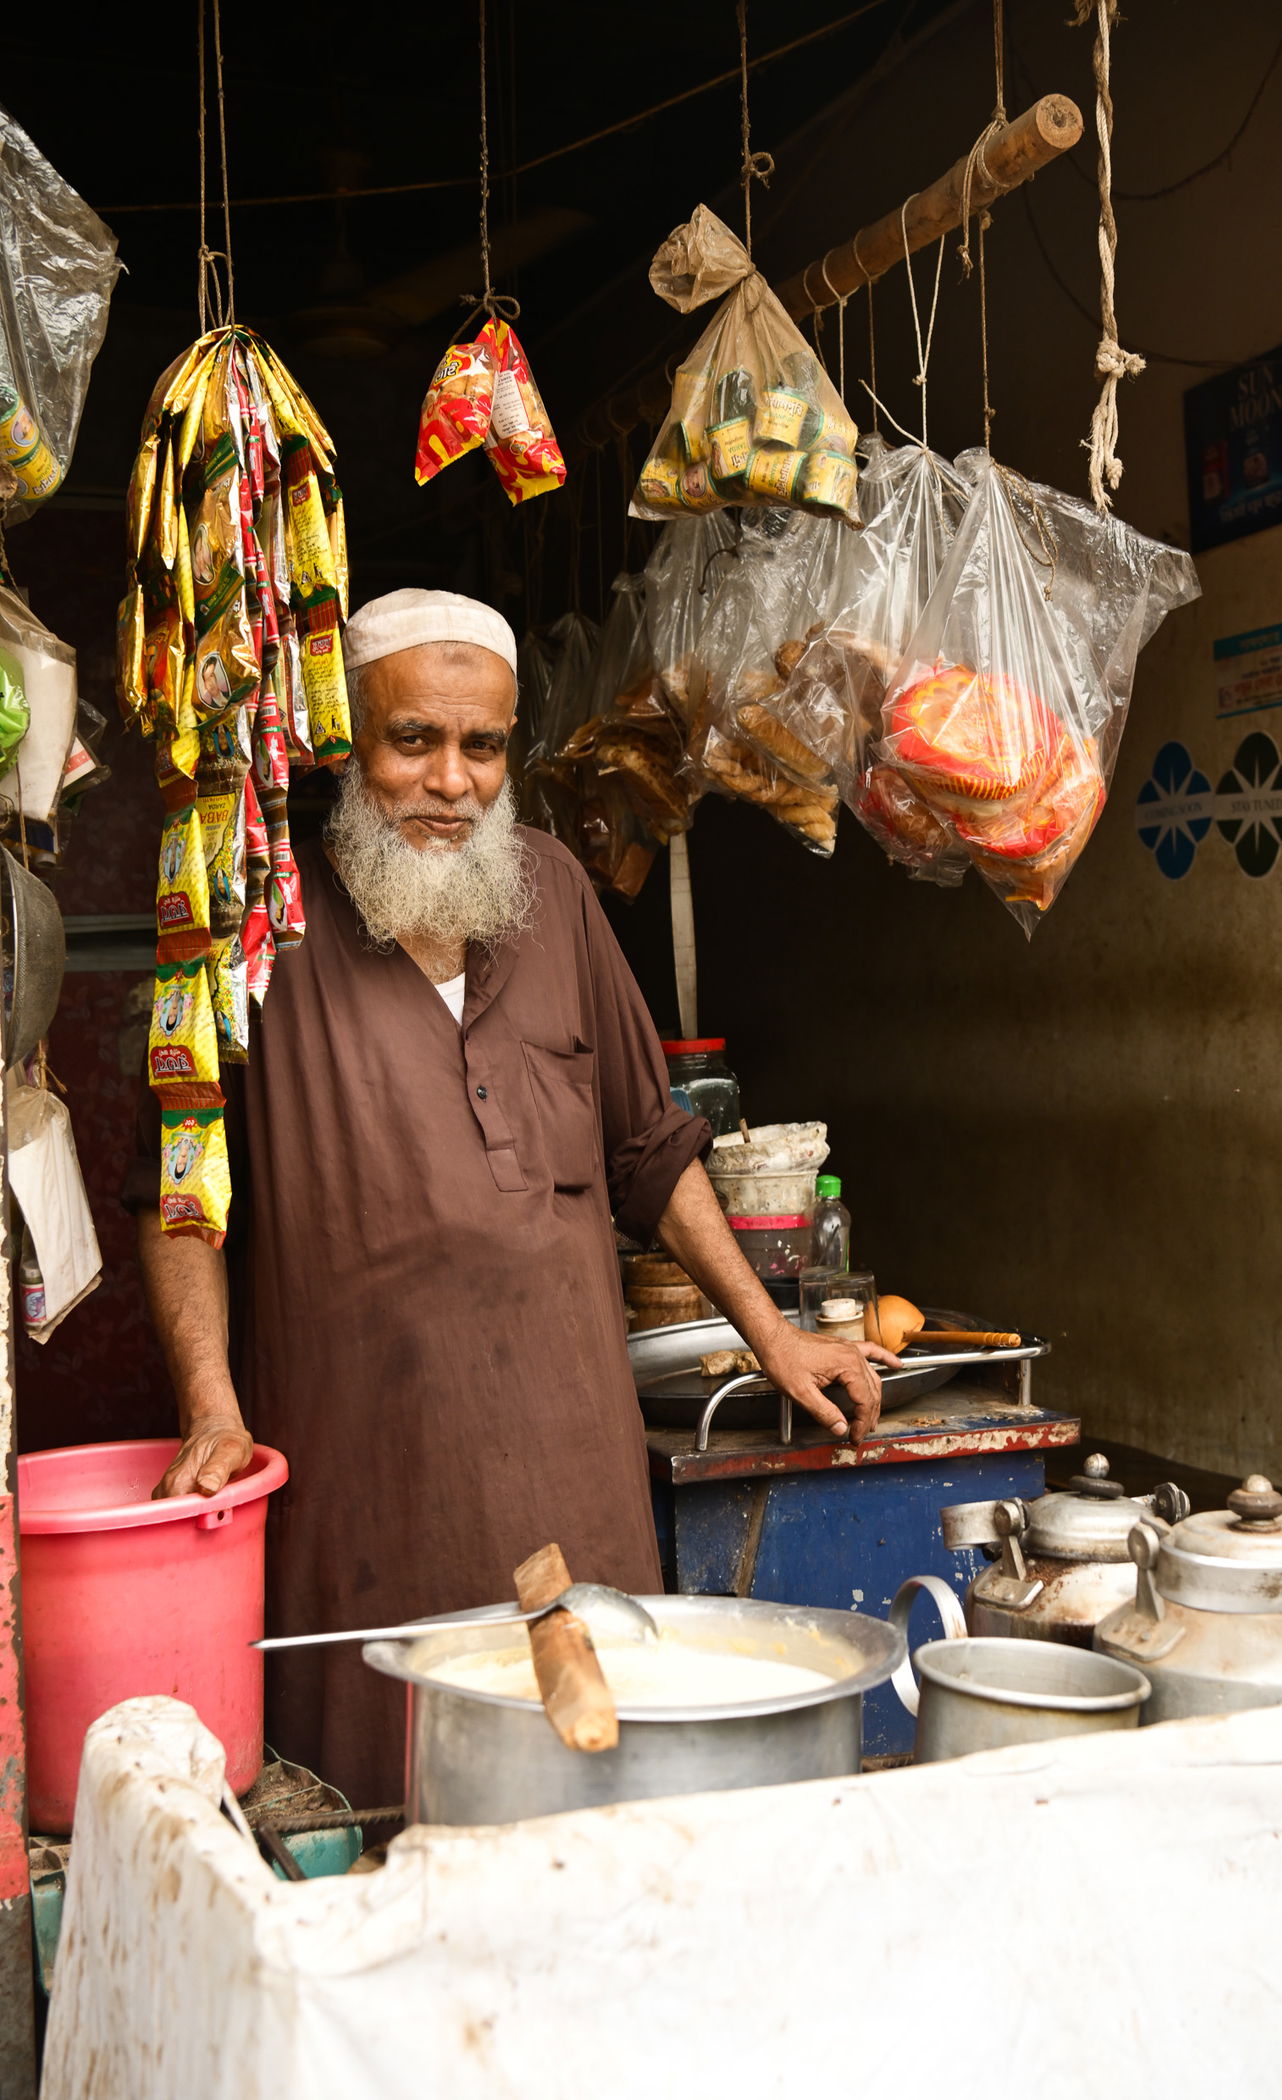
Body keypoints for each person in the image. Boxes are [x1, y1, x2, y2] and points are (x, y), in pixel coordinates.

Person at [124, 589, 896, 1806]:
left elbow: (650, 1147)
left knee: (599, 1799)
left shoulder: (553, 892)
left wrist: (773, 1333)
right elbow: (178, 1196)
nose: (450, 780)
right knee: (392, 1812)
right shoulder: (258, 924)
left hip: (575, 1470)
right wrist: (212, 1409)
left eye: (481, 748)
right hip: (369, 1495)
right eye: (412, 741)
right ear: (347, 745)